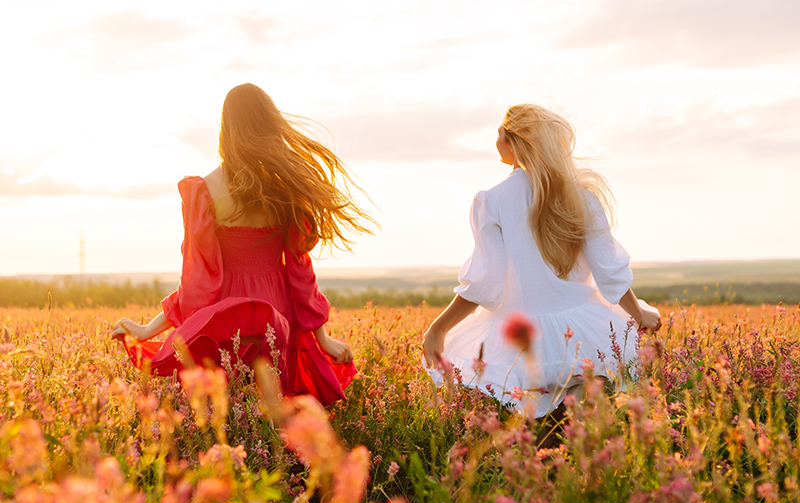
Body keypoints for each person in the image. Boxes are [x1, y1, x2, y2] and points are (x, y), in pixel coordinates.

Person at [111, 83, 371, 406]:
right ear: (270, 125)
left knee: (226, 414)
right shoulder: (285, 187)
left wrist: (147, 329)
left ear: (227, 128)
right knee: (273, 418)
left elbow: (196, 285)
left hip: (225, 318)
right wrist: (323, 338)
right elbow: (301, 274)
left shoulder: (205, 190)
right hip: (278, 318)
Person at [422, 103, 661, 417]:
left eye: (500, 134)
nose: (496, 141)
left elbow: (485, 285)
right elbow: (608, 270)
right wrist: (638, 314)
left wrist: (438, 329)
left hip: (518, 337)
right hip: (583, 329)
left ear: (514, 141)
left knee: (534, 427)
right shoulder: (582, 196)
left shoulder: (491, 200)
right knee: (581, 423)